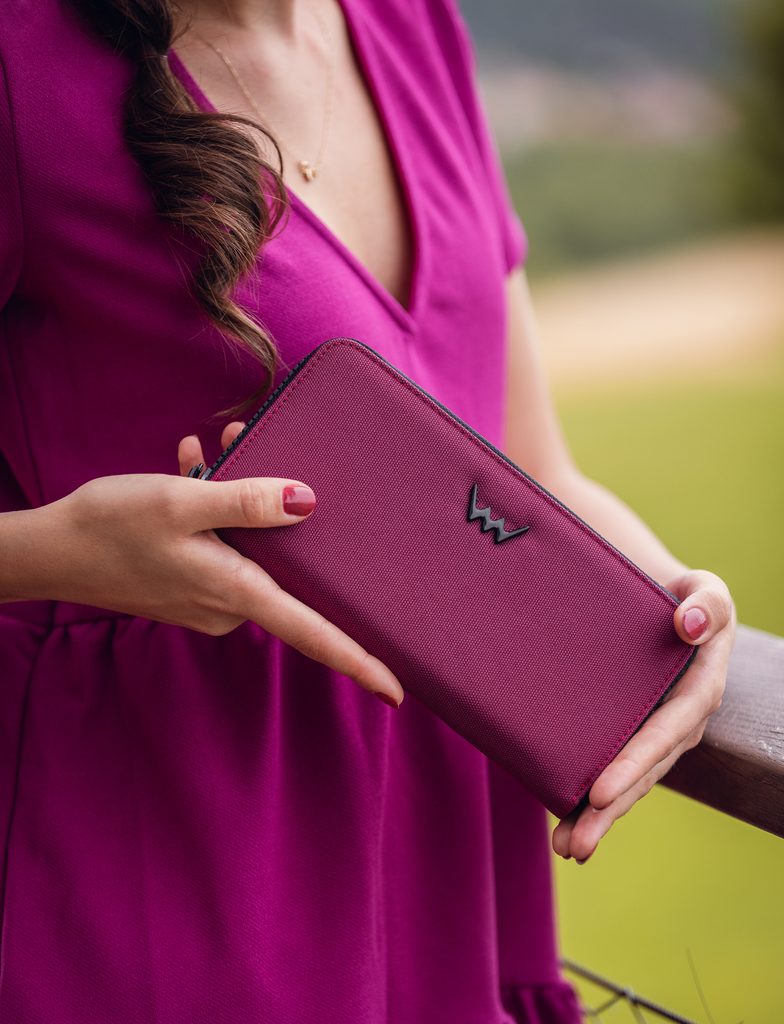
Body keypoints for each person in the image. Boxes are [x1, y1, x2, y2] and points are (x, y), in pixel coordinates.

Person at [0, 0, 735, 1021]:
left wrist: (676, 617)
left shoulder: (413, 24)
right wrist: (54, 552)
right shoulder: (22, 65)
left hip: (438, 859)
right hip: (165, 852)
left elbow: (532, 467)